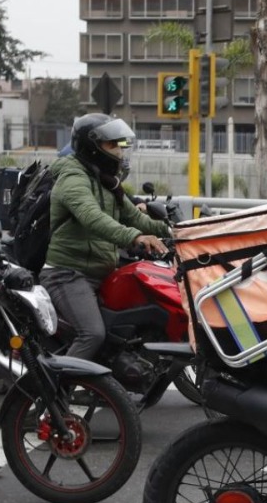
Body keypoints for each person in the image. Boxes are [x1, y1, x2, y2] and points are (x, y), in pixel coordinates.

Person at [40, 114, 171, 361]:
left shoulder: (105, 180)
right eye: (112, 145)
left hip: (102, 270)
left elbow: (135, 217)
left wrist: (176, 230)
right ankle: (61, 383)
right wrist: (135, 238)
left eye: (120, 145)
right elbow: (92, 217)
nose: (119, 152)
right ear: (92, 147)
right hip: (68, 274)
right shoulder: (73, 178)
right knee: (92, 334)